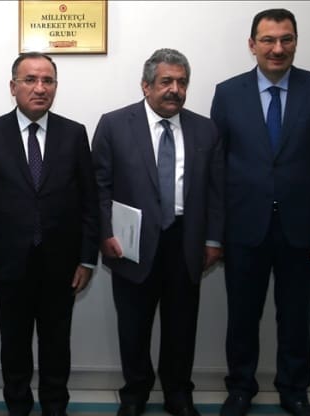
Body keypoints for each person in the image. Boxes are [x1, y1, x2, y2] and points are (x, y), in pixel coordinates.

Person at [210, 9, 310, 416]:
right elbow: (216, 168)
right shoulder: (227, 93)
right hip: (243, 227)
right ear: (252, 44)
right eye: (268, 40)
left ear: (295, 42)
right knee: (242, 316)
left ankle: (294, 390)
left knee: (296, 317)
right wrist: (215, 232)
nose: (277, 48)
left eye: (286, 39)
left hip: (303, 229)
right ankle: (240, 389)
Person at [92, 48, 224, 416]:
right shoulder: (115, 125)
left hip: (185, 241)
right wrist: (105, 232)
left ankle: (178, 393)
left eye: (182, 82)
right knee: (133, 326)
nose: (175, 90)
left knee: (182, 325)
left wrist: (213, 239)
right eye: (166, 81)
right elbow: (98, 185)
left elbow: (217, 190)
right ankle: (135, 393)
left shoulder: (205, 129)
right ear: (146, 85)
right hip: (130, 242)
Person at [0, 52, 99, 416]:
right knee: (13, 344)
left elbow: (90, 203)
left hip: (62, 265)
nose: (39, 88)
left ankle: (55, 406)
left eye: (47, 81)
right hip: (8, 264)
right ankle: (17, 406)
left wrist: (87, 259)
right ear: (13, 86)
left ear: (56, 87)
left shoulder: (74, 134)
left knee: (57, 344)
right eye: (30, 80)